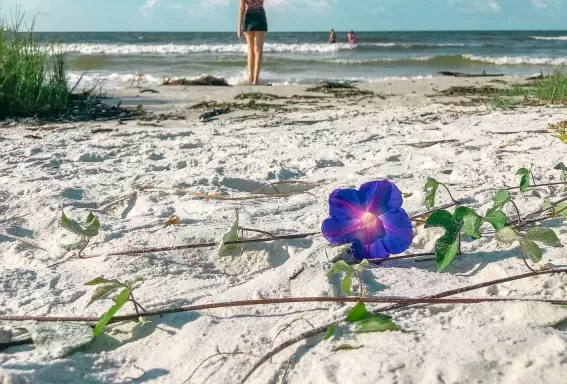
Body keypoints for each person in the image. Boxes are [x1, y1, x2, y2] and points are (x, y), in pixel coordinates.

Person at [237, 0, 268, 85]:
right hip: (260, 18)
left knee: (250, 50)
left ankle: (250, 76)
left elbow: (242, 8)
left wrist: (239, 27)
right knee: (258, 50)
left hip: (249, 19)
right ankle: (255, 79)